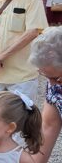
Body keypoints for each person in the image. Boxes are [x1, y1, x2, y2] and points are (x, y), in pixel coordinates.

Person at [30, 26, 62, 163]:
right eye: (45, 75)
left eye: (56, 79)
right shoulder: (54, 83)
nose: (52, 85)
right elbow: (49, 125)